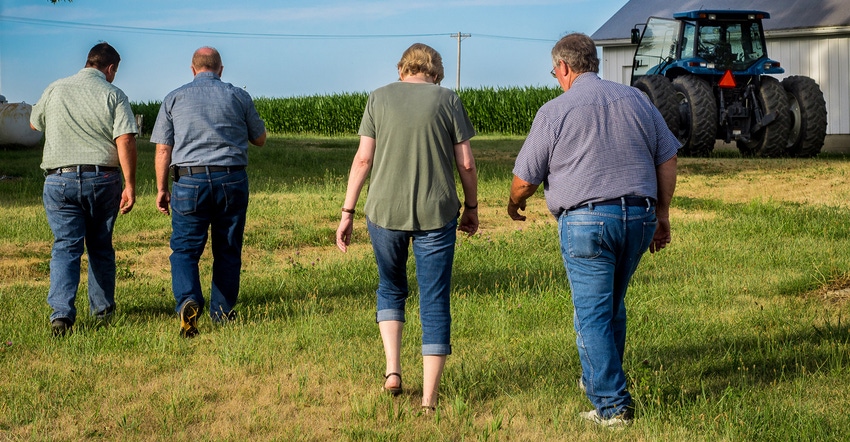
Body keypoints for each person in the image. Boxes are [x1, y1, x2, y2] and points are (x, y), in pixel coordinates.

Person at [507, 33, 679, 427]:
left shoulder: (555, 111)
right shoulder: (638, 100)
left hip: (586, 222)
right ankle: (600, 381)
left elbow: (524, 179)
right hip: (638, 218)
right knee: (611, 308)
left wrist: (514, 204)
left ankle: (612, 406)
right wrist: (663, 214)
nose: (556, 78)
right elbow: (667, 157)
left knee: (592, 316)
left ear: (564, 67)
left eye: (555, 71)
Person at [335, 43, 479, 412]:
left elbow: (363, 158)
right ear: (435, 72)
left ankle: (393, 372)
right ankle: (429, 400)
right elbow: (466, 163)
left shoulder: (378, 98)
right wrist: (472, 207)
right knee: (434, 299)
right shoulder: (448, 99)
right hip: (437, 212)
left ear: (403, 69)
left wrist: (347, 210)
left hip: (384, 212)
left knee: (390, 287)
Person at [150, 46, 266, 338]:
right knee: (227, 248)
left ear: (192, 70)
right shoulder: (238, 95)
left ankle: (188, 299)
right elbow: (260, 138)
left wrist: (162, 188)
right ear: (221, 69)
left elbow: (163, 148)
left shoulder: (173, 98)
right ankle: (223, 312)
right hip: (231, 179)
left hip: (189, 181)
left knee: (185, 249)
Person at [29, 42, 138, 337]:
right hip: (102, 179)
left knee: (66, 246)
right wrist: (129, 184)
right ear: (111, 68)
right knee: (100, 246)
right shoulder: (113, 94)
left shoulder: (55, 88)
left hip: (58, 179)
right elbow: (125, 139)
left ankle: (61, 315)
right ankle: (102, 312)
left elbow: (33, 124)